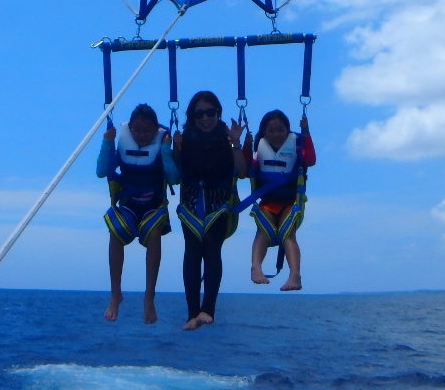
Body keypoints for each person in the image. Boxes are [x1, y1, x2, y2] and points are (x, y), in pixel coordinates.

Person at [173, 90, 248, 331]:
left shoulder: (227, 138)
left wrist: (236, 142)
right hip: (190, 203)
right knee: (192, 253)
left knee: (212, 248)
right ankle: (192, 313)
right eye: (199, 114)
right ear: (192, 116)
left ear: (218, 113)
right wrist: (174, 147)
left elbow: (242, 172)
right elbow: (175, 173)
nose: (205, 118)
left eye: (210, 112)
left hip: (219, 203)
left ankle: (208, 310)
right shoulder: (184, 139)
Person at [96, 103, 178, 323]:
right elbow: (101, 171)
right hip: (129, 205)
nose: (142, 135)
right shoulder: (122, 142)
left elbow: (174, 178)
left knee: (153, 233)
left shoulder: (162, 143)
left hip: (153, 206)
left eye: (147, 130)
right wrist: (107, 142)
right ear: (130, 128)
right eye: (137, 130)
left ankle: (149, 297)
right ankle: (115, 295)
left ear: (155, 129)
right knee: (115, 233)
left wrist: (166, 151)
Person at [247, 109, 315, 291]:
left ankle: (295, 276)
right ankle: (256, 268)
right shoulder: (259, 151)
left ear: (287, 130)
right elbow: (246, 169)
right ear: (264, 132)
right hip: (267, 204)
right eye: (271, 130)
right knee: (261, 233)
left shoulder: (297, 148)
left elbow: (310, 160)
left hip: (291, 204)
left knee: (288, 234)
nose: (276, 134)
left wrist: (306, 132)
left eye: (280, 130)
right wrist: (243, 145)